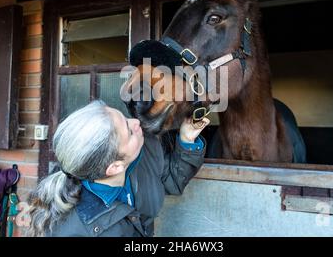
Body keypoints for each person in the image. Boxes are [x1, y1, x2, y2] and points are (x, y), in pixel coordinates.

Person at [26, 99, 209, 237]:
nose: (136, 123)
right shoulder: (87, 231)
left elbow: (170, 181)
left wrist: (187, 140)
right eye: (129, 131)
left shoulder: (136, 158)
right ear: (114, 167)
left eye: (125, 118)